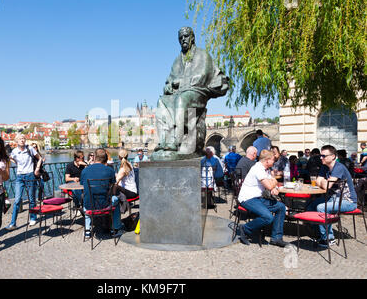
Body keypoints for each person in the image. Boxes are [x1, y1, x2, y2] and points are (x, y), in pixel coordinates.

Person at [154, 26, 228, 156]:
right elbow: (170, 79)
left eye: (186, 36)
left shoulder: (202, 55)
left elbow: (202, 76)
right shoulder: (177, 60)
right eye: (180, 38)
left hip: (198, 92)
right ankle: (164, 140)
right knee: (161, 101)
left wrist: (181, 82)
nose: (183, 39)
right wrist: (168, 86)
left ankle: (176, 140)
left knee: (182, 99)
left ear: (192, 38)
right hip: (178, 93)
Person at [307, 145, 357, 247]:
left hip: (348, 201)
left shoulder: (338, 167)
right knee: (310, 205)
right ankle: (319, 233)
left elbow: (326, 186)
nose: (321, 158)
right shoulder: (325, 166)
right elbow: (317, 181)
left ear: (333, 156)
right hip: (332, 199)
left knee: (321, 207)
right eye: (321, 155)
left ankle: (328, 239)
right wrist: (324, 182)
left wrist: (323, 182)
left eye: (324, 156)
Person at [237, 149, 288, 247]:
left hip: (257, 198)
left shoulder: (265, 169)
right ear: (267, 160)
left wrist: (273, 185)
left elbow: (271, 183)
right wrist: (273, 183)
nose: (274, 162)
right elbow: (269, 185)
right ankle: (245, 228)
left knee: (281, 207)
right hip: (248, 198)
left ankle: (276, 238)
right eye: (273, 160)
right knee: (268, 217)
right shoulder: (258, 169)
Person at [80, 148, 125, 239]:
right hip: (105, 205)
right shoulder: (110, 170)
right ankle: (115, 228)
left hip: (90, 206)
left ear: (95, 157)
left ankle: (87, 231)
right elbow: (112, 186)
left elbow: (82, 185)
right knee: (116, 199)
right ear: (105, 158)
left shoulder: (85, 170)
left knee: (87, 199)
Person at [6, 134, 43, 230]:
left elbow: (40, 159)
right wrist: (17, 163)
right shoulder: (14, 151)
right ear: (16, 141)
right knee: (17, 200)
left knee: (31, 199)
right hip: (19, 177)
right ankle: (13, 223)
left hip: (30, 175)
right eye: (20, 139)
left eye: (23, 138)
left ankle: (33, 218)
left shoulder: (29, 149)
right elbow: (10, 158)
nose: (22, 140)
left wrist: (37, 169)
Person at [114, 149, 138, 213]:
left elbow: (116, 181)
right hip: (133, 191)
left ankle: (116, 208)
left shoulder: (123, 168)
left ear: (119, 157)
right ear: (127, 156)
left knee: (114, 186)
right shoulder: (129, 164)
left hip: (130, 193)